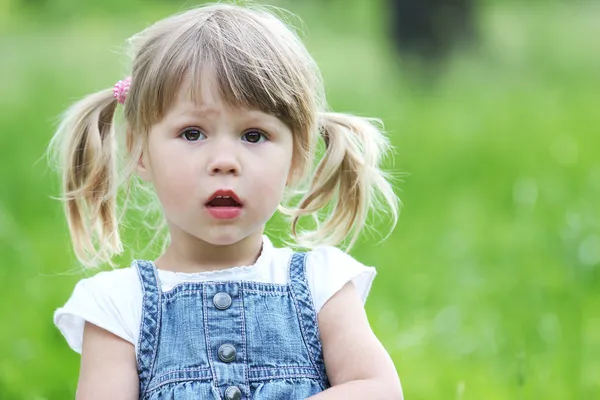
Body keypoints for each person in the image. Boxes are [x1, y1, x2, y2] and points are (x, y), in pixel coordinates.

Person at [51, 3, 402, 399]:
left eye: (253, 136)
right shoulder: (117, 306)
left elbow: (377, 388)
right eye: (192, 133)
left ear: (296, 158)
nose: (223, 162)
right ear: (140, 151)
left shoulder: (323, 285)